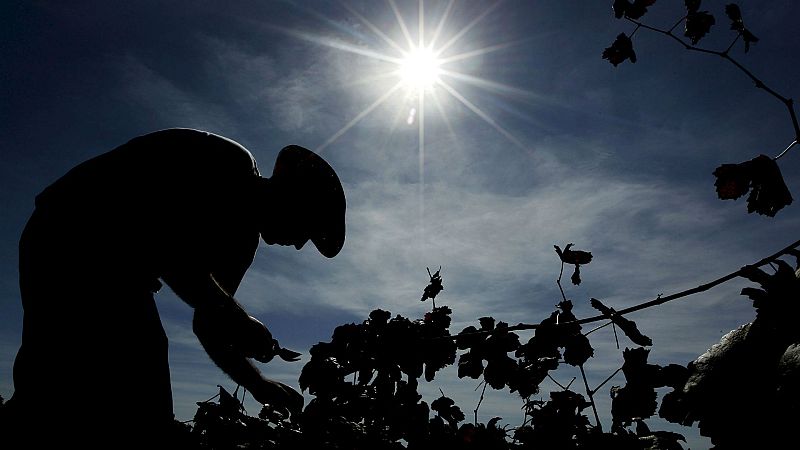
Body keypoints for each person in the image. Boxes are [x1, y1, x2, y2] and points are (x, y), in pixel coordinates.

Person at [1, 128, 345, 447]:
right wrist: (237, 320)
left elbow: (207, 322)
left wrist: (256, 383)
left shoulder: (241, 246)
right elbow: (166, 245)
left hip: (118, 271)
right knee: (67, 372)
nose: (301, 245)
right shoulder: (227, 163)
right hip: (66, 233)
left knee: (113, 370)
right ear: (292, 198)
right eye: (308, 229)